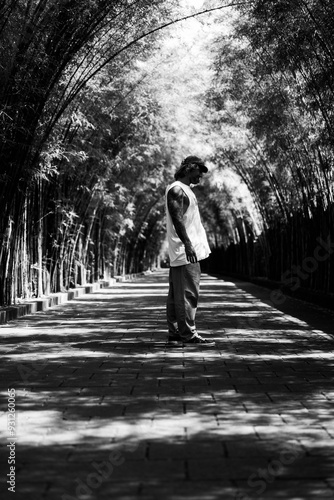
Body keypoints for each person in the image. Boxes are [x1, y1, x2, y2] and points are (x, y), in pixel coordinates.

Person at [165, 155, 215, 346]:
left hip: (185, 251)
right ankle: (189, 334)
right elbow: (177, 219)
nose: (200, 176)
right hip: (186, 252)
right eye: (198, 171)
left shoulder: (184, 189)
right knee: (188, 294)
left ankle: (176, 333)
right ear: (189, 169)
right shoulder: (177, 190)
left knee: (176, 294)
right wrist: (188, 244)